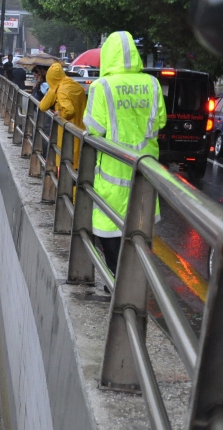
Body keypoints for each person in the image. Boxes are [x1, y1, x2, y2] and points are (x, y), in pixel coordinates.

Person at [83, 31, 166, 282]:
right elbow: (160, 121)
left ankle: (115, 290)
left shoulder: (102, 86)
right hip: (146, 177)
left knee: (111, 242)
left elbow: (94, 130)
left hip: (113, 178)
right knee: (139, 240)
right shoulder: (152, 84)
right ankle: (133, 290)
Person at [39, 62, 87, 169]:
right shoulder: (74, 85)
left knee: (64, 161)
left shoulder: (60, 89)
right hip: (81, 128)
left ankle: (65, 185)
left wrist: (60, 113)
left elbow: (68, 110)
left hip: (66, 131)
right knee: (78, 163)